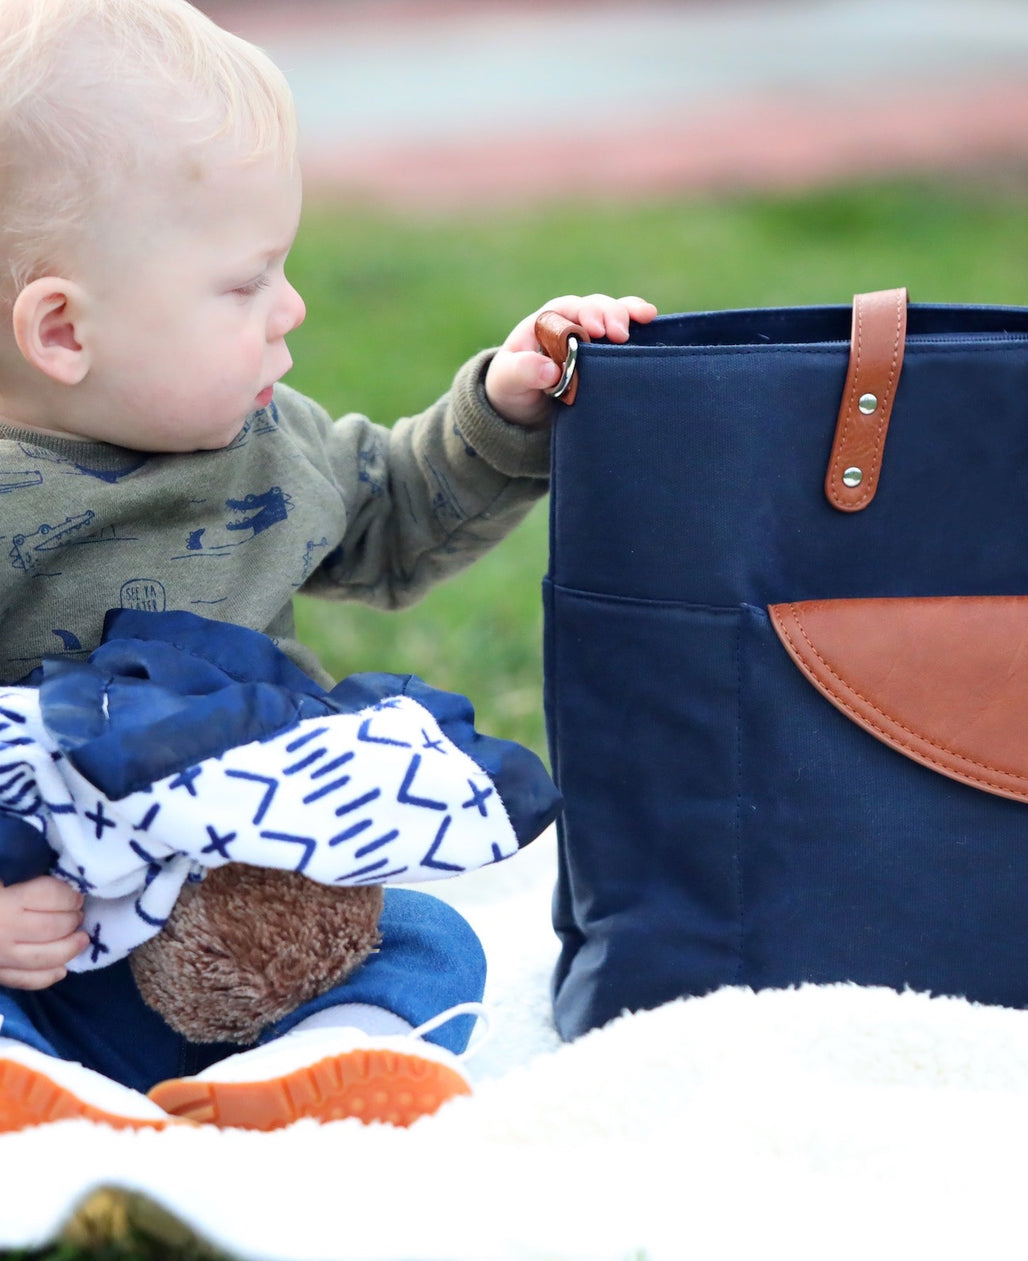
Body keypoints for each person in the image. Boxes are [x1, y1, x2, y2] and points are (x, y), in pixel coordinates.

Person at [0, 0, 655, 1132]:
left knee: (420, 935)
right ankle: (31, 1083)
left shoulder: (266, 445)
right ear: (63, 331)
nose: (291, 307)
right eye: (245, 282)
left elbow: (394, 510)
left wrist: (501, 410)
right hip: (42, 924)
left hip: (241, 917)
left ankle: (307, 1061)